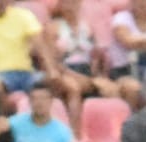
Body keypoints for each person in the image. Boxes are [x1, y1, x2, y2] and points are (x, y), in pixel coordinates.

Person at [50, 0, 119, 130]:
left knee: (111, 89)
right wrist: (79, 77)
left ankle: (110, 131)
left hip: (87, 70)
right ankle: (75, 133)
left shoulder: (87, 27)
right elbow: (53, 62)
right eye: (66, 3)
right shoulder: (53, 28)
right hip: (66, 70)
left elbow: (96, 56)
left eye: (74, 3)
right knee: (74, 87)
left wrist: (99, 75)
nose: (70, 7)